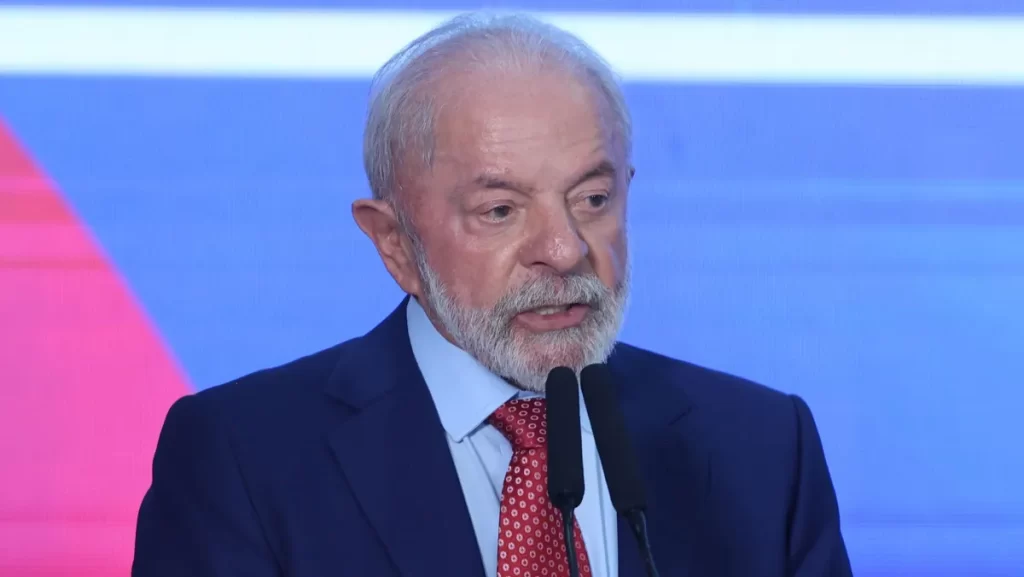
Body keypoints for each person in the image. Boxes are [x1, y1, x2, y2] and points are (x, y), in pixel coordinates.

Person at [132, 12, 852, 577]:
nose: (565, 249)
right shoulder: (245, 461)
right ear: (394, 243)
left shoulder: (763, 447)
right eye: (501, 210)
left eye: (593, 199)